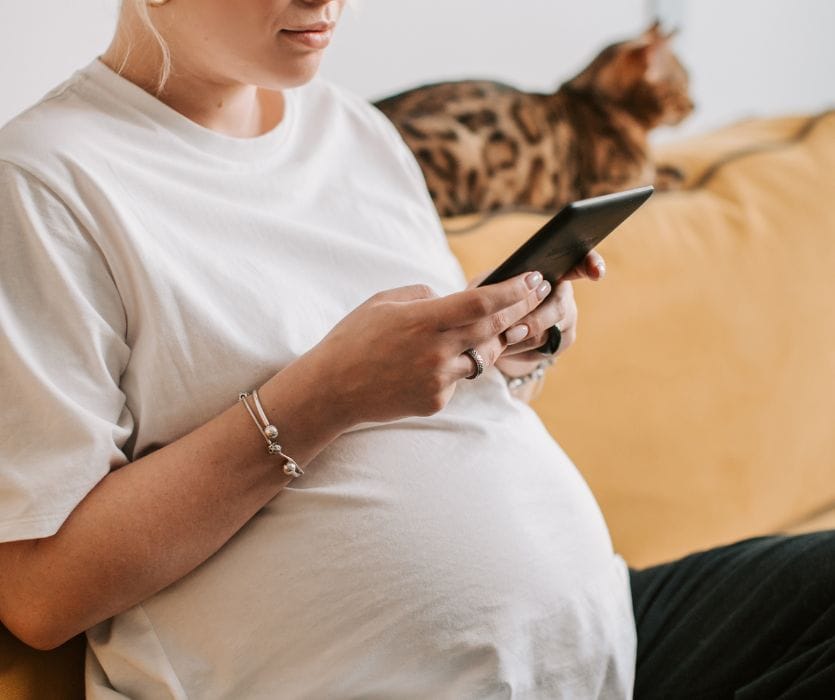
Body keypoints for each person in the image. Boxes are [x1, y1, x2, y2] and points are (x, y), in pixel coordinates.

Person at [0, 1, 831, 698]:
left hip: (604, 644)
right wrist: (322, 396)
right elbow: (40, 594)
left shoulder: (353, 128)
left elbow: (447, 415)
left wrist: (511, 347)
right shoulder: (45, 181)